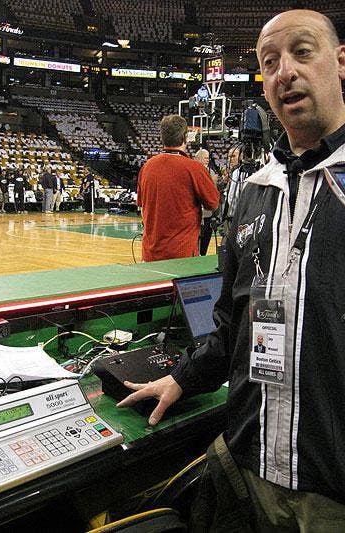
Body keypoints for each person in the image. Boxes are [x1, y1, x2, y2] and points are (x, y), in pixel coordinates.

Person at [118, 10, 345, 531]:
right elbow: (232, 321)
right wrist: (182, 377)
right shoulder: (256, 191)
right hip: (249, 470)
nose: (285, 71)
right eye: (270, 62)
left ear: (339, 62)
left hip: (332, 492)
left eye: (302, 52)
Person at [137, 115, 219, 261]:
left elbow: (142, 207)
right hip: (182, 255)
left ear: (162, 137)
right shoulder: (194, 168)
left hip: (150, 254)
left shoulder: (147, 167)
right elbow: (213, 203)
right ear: (185, 137)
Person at [194, 148, 218, 256]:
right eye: (205, 158)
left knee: (204, 246)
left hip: (208, 214)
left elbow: (215, 193)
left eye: (208, 158)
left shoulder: (211, 171)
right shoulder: (193, 170)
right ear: (198, 158)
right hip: (196, 215)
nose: (208, 160)